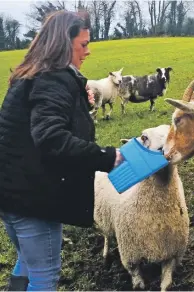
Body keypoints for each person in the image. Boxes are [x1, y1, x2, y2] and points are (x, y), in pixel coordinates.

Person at [0, 10, 123, 291]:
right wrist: (108, 157)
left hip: (11, 193)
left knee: (28, 263)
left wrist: (82, 101)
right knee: (44, 277)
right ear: (61, 43)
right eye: (83, 44)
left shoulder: (31, 73)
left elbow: (40, 122)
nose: (88, 51)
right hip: (32, 198)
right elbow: (51, 138)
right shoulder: (52, 79)